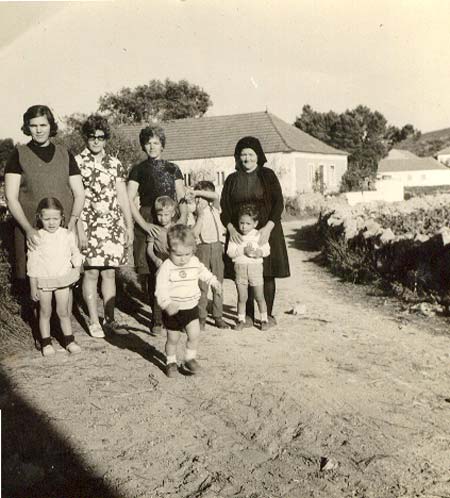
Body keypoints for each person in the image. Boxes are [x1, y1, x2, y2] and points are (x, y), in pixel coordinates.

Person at [5, 105, 85, 338]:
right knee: (36, 279)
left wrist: (72, 223)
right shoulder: (18, 154)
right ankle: (43, 335)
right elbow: (11, 197)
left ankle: (65, 332)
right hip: (32, 230)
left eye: (43, 125)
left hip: (62, 229)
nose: (38, 130)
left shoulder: (64, 153)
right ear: (27, 127)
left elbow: (79, 193)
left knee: (64, 276)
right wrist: (28, 229)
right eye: (33, 125)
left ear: (51, 126)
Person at [220, 136, 290, 327]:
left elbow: (278, 203)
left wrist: (268, 228)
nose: (247, 158)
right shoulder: (232, 179)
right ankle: (248, 316)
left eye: (251, 154)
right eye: (243, 154)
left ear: (258, 156)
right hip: (240, 231)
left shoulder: (268, 175)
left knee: (266, 273)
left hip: (267, 230)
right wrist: (231, 228)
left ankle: (267, 316)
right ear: (238, 157)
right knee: (244, 271)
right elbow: (224, 208)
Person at [75, 115, 133, 338]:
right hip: (88, 224)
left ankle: (109, 319)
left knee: (109, 272)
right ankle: (93, 321)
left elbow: (122, 197)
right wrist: (79, 228)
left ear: (106, 138)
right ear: (86, 137)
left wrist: (128, 225)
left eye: (100, 137)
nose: (96, 141)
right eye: (92, 137)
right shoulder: (77, 162)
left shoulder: (115, 163)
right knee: (91, 272)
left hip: (112, 225)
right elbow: (74, 197)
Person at [127, 125, 185, 333]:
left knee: (175, 268)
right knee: (153, 272)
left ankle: (177, 316)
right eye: (148, 143)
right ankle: (156, 319)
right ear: (143, 146)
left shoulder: (173, 168)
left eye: (156, 143)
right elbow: (129, 200)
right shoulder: (138, 169)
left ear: (162, 145)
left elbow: (181, 196)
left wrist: (182, 219)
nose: (152, 147)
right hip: (148, 220)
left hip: (171, 219)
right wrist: (144, 225)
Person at [155, 225, 222, 378]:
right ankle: (171, 362)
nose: (183, 259)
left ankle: (189, 359)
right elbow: (160, 289)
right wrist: (166, 304)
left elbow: (203, 272)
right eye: (178, 255)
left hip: (191, 307)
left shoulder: (194, 261)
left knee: (194, 334)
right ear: (169, 250)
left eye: (187, 254)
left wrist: (214, 281)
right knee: (173, 338)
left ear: (193, 250)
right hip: (173, 309)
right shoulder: (166, 267)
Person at [27, 198, 83, 356]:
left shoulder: (67, 234)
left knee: (63, 311)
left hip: (62, 279)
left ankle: (69, 341)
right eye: (47, 219)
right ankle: (46, 342)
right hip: (43, 280)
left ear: (62, 217)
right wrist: (33, 286)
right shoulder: (37, 237)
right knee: (45, 311)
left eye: (55, 219)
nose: (51, 223)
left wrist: (76, 270)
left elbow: (75, 253)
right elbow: (32, 264)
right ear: (40, 217)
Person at [146, 195, 186, 335]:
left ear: (173, 214)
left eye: (166, 215)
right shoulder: (154, 229)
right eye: (160, 215)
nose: (162, 218)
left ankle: (177, 320)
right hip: (160, 260)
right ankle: (157, 321)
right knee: (159, 291)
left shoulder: (176, 228)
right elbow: (149, 248)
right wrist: (155, 259)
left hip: (173, 259)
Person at [227, 203, 270, 331]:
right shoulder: (235, 236)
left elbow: (267, 249)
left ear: (255, 224)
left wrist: (259, 252)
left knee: (259, 296)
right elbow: (230, 252)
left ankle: (264, 320)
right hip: (240, 269)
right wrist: (242, 250)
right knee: (242, 297)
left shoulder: (258, 235)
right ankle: (241, 320)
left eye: (248, 223)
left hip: (255, 269)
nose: (244, 226)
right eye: (241, 223)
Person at [192, 181, 229, 331]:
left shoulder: (216, 208)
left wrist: (197, 193)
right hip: (202, 248)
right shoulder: (194, 213)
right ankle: (201, 317)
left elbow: (215, 195)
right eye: (198, 198)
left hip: (217, 247)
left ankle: (218, 316)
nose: (201, 200)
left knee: (218, 283)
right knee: (202, 285)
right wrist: (199, 215)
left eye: (204, 197)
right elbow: (194, 234)